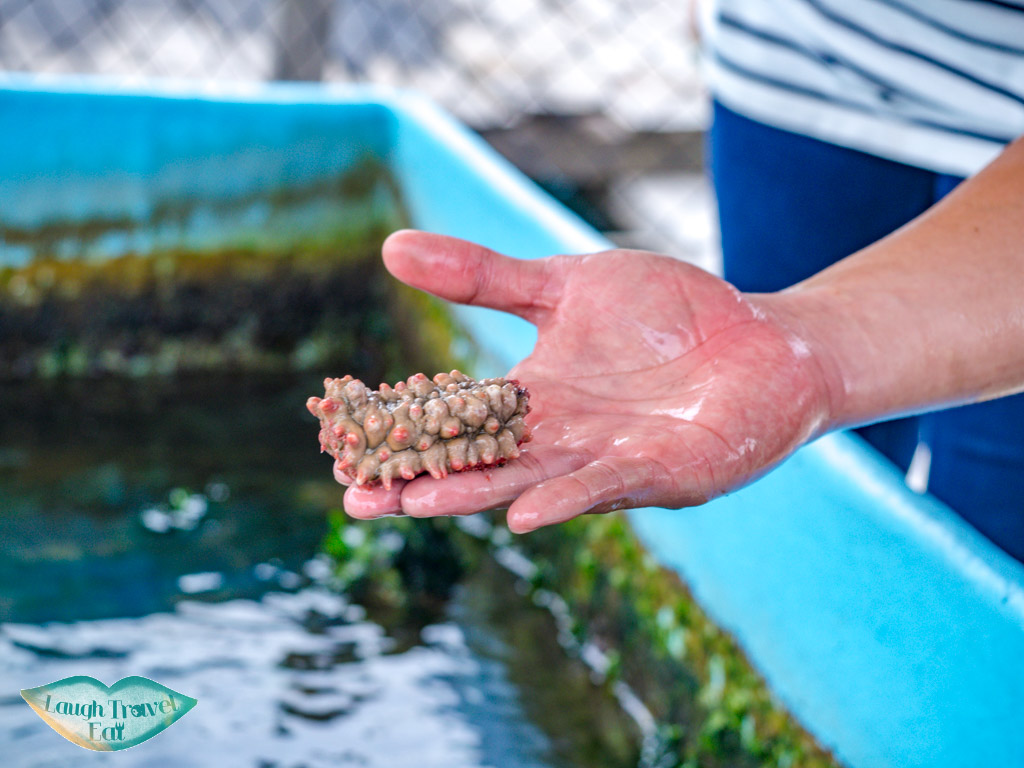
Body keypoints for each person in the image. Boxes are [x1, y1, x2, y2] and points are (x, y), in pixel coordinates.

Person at [338, 1, 1024, 561]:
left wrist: (810, 353)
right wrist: (804, 347)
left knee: (989, 532)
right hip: (798, 59)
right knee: (793, 489)